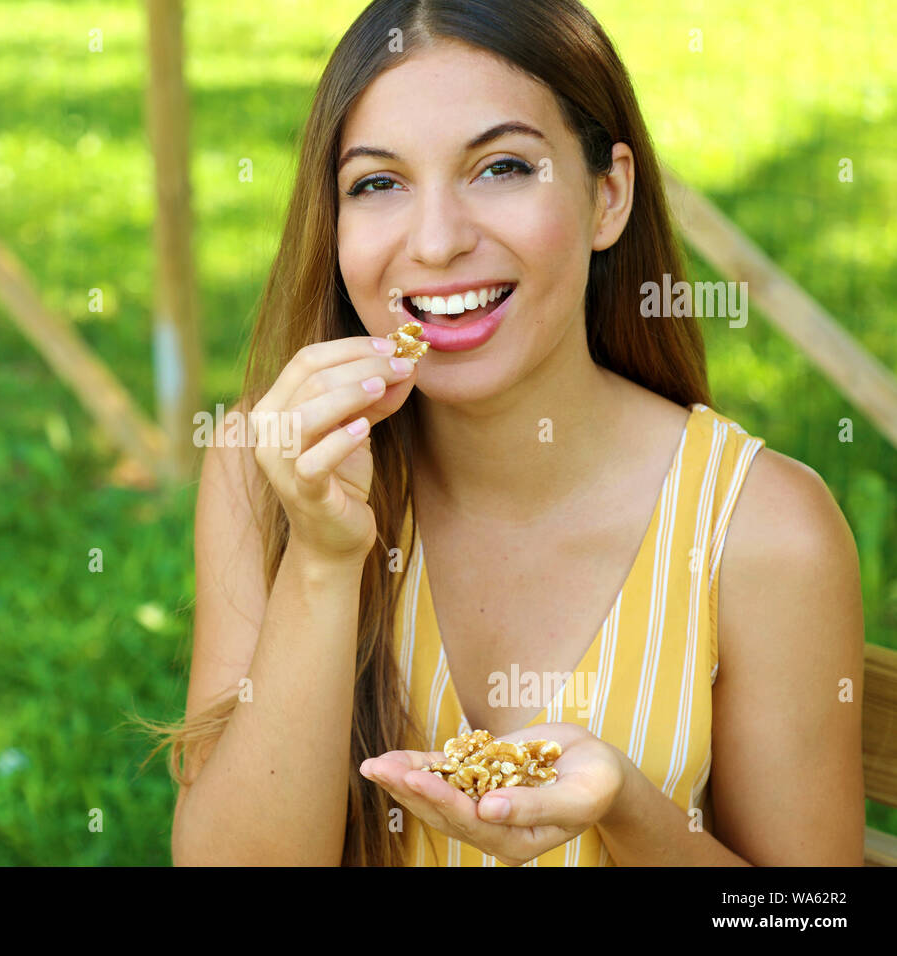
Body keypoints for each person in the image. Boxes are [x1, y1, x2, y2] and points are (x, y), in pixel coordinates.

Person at [149, 0, 865, 866]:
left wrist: (625, 808)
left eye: (501, 168)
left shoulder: (763, 530)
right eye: (378, 183)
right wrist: (323, 560)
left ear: (609, 196)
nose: (439, 241)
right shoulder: (267, 468)